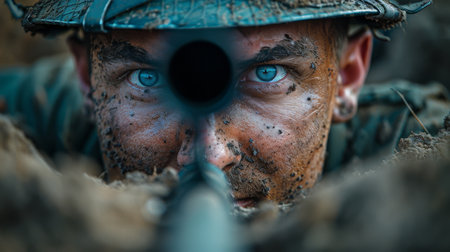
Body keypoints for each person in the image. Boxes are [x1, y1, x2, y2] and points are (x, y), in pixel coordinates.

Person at [1, 0, 448, 207]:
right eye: (148, 77)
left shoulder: (419, 153)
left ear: (347, 74)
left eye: (267, 74)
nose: (208, 155)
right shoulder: (47, 108)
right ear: (87, 80)